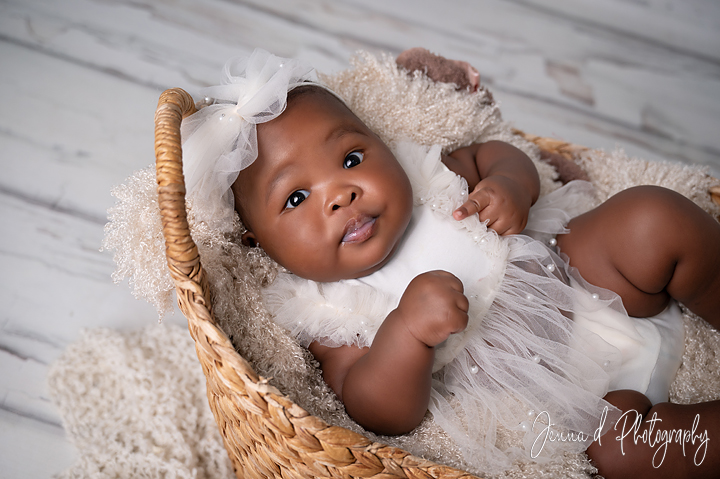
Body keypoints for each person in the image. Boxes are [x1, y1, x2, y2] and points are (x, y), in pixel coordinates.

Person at [181, 49, 720, 477]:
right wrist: (405, 334)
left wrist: (510, 185)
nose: (340, 194)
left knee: (653, 217)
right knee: (624, 454)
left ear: (378, 142)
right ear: (259, 243)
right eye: (296, 198)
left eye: (350, 159)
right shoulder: (319, 307)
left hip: (582, 282)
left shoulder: (424, 173)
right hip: (561, 400)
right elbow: (376, 409)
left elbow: (496, 152)